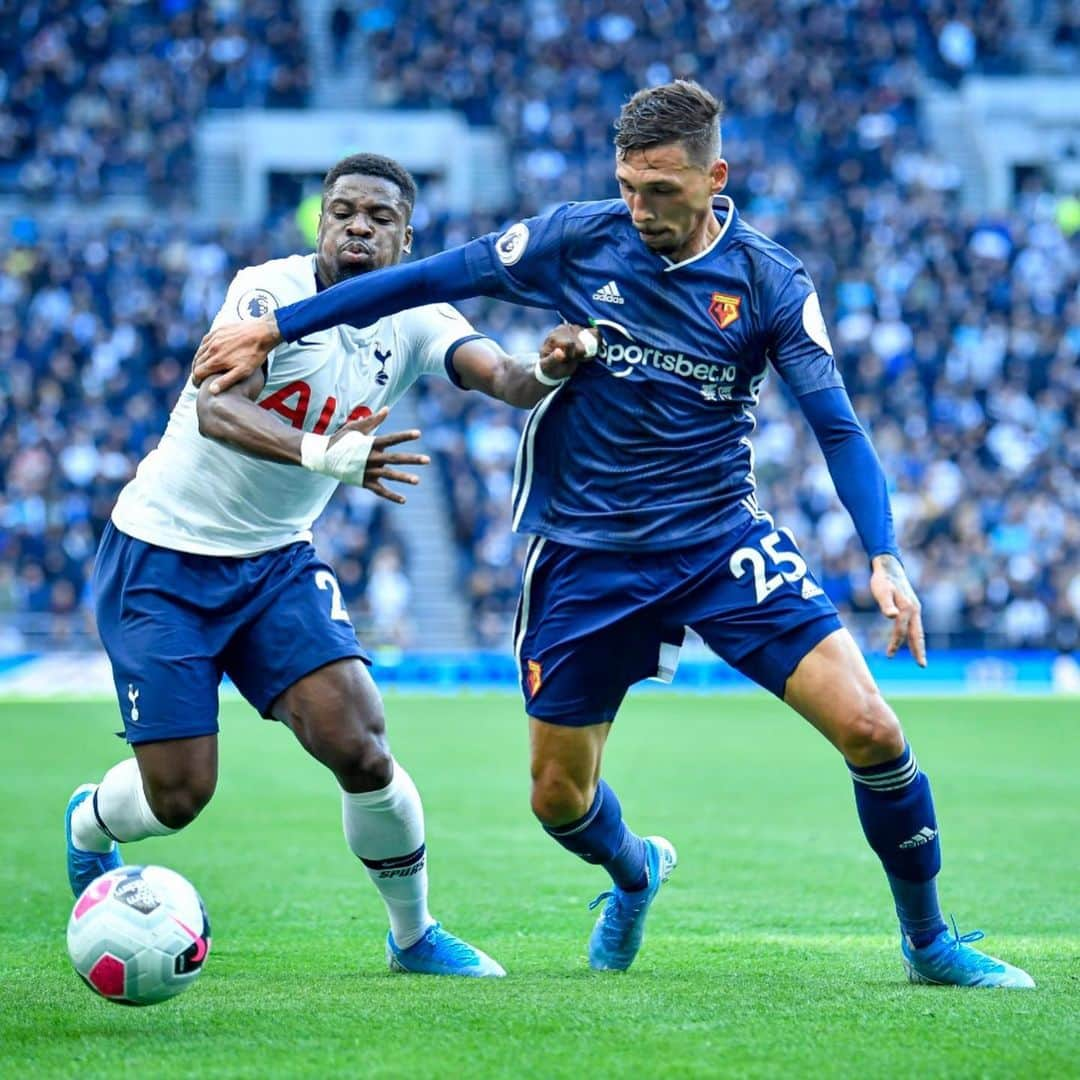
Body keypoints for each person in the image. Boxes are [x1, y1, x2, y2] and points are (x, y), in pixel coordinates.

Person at [192, 86, 1034, 988]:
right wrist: (277, 323)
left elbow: (835, 424)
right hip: (585, 555)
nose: (641, 209)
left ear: (717, 177)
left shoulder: (769, 280)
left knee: (871, 727)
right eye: (629, 186)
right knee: (559, 800)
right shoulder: (576, 237)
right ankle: (635, 873)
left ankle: (929, 942)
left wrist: (883, 553)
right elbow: (427, 279)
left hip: (718, 541)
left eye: (662, 189)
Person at [66, 152, 588, 978]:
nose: (357, 225)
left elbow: (503, 377)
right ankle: (89, 823)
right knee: (178, 796)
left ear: (405, 237)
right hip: (162, 556)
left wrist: (549, 368)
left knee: (361, 746)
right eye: (342, 210)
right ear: (321, 222)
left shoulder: (419, 314)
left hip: (272, 565)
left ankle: (413, 939)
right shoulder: (267, 291)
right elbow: (216, 406)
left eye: (379, 217)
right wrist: (325, 451)